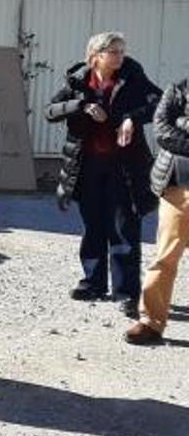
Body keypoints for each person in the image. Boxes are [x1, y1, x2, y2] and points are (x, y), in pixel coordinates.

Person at [45, 32, 162, 317]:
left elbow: (158, 102)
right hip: (87, 165)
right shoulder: (78, 81)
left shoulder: (132, 76)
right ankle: (93, 282)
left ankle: (127, 293)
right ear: (96, 55)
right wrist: (81, 106)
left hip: (124, 164)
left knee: (124, 227)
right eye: (114, 51)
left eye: (122, 51)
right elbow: (51, 110)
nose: (120, 57)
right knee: (93, 224)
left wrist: (131, 118)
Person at [125, 79, 189, 345]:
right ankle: (150, 321)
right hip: (179, 186)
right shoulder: (180, 89)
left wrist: (183, 126)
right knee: (165, 256)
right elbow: (162, 130)